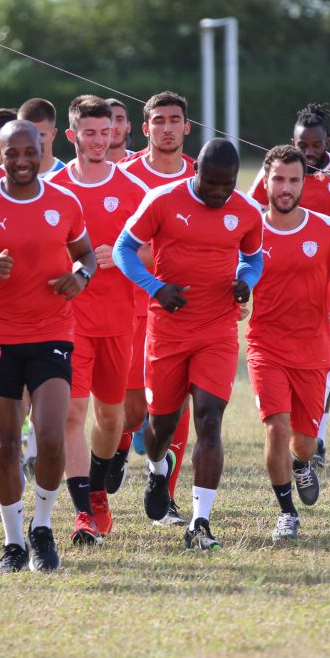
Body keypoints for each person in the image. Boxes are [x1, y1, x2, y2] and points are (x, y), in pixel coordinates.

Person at [0, 120, 96, 573]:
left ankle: (41, 528)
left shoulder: (64, 202)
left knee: (50, 436)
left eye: (30, 152)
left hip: (52, 334)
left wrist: (81, 276)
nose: (23, 160)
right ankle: (13, 543)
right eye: (13, 153)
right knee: (5, 444)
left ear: (41, 151)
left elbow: (85, 253)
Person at [113, 138, 263, 550]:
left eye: (228, 184)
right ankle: (157, 469)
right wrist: (155, 288)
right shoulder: (163, 200)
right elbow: (124, 248)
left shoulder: (246, 211)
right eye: (211, 182)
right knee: (160, 426)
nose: (219, 192)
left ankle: (200, 522)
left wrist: (246, 281)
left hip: (217, 329)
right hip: (169, 329)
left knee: (210, 419)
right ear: (196, 171)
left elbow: (254, 258)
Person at [46, 95, 149, 545]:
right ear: (72, 135)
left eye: (105, 132)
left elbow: (156, 251)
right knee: (72, 413)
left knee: (112, 418)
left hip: (118, 321)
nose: (99, 141)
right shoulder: (53, 188)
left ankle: (99, 488)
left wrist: (122, 256)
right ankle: (83, 512)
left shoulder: (133, 190)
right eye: (89, 133)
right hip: (66, 322)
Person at [248, 103, 330, 468]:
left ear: (328, 142)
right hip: (280, 268)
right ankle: (291, 431)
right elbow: (250, 211)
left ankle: (319, 437)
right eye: (302, 145)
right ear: (293, 142)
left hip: (322, 271)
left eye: (316, 145)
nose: (309, 152)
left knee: (323, 354)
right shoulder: (280, 171)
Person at [246, 145, 330, 541]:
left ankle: (301, 465)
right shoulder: (250, 231)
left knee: (304, 444)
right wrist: (236, 300)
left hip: (313, 350)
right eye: (278, 179)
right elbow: (234, 276)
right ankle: (286, 512)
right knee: (277, 426)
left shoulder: (325, 229)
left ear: (304, 183)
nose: (285, 188)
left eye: (293, 180)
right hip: (265, 346)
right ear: (266, 182)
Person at [111, 91, 197, 527]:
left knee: (175, 404)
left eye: (174, 120)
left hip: (182, 309)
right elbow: (114, 246)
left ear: (187, 127)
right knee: (130, 410)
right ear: (144, 128)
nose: (166, 128)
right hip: (128, 308)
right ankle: (118, 447)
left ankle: (166, 490)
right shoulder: (124, 175)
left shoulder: (202, 176)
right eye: (158, 120)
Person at [18, 98, 67, 176]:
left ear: (53, 134)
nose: (34, 141)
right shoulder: (4, 175)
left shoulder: (67, 176)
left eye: (41, 135)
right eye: (28, 134)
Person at [105, 97, 135, 163]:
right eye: (108, 119)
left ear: (128, 127)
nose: (113, 126)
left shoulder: (141, 161)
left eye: (120, 119)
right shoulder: (83, 165)